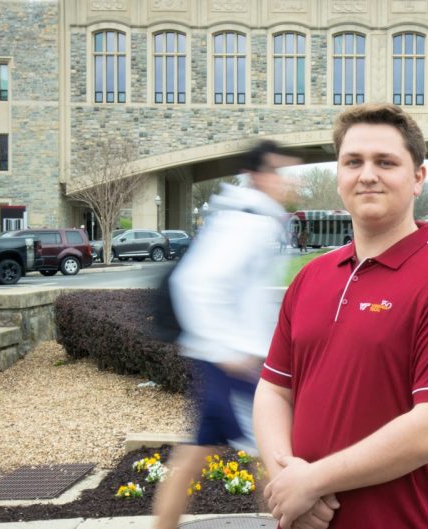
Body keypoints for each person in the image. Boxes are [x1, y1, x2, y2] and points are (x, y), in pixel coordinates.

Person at [254, 103, 428, 529]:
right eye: (353, 162)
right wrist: (287, 480)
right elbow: (274, 390)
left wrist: (313, 481)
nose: (367, 174)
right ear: (339, 175)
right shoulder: (311, 278)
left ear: (417, 178)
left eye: (386, 162)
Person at [152, 140, 301, 529]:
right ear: (257, 175)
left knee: (194, 455)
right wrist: (227, 353)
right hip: (235, 363)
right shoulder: (246, 220)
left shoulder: (247, 215)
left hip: (226, 358)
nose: (286, 182)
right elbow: (193, 283)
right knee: (275, 458)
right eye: (278, 172)